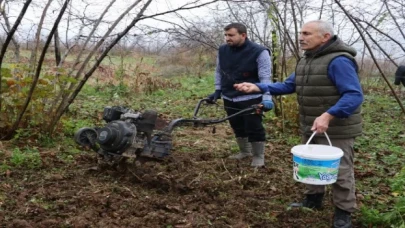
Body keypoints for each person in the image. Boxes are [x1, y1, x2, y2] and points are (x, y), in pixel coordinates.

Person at [234, 20, 363, 228]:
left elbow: (354, 95)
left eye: (307, 33)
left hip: (337, 128)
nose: (301, 37)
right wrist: (257, 87)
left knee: (341, 170)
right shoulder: (307, 60)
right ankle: (313, 200)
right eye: (300, 33)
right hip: (312, 125)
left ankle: (344, 211)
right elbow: (288, 85)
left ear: (325, 37)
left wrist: (328, 116)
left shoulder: (339, 61)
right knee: (311, 163)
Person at [206, 22, 274, 167]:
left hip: (251, 97)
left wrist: (267, 97)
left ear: (243, 35)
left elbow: (265, 78)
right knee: (236, 125)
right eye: (225, 35)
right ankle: (245, 151)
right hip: (229, 95)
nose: (227, 38)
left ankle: (258, 155)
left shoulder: (259, 51)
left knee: (254, 126)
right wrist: (218, 90)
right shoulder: (223, 50)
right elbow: (219, 71)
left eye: (231, 35)